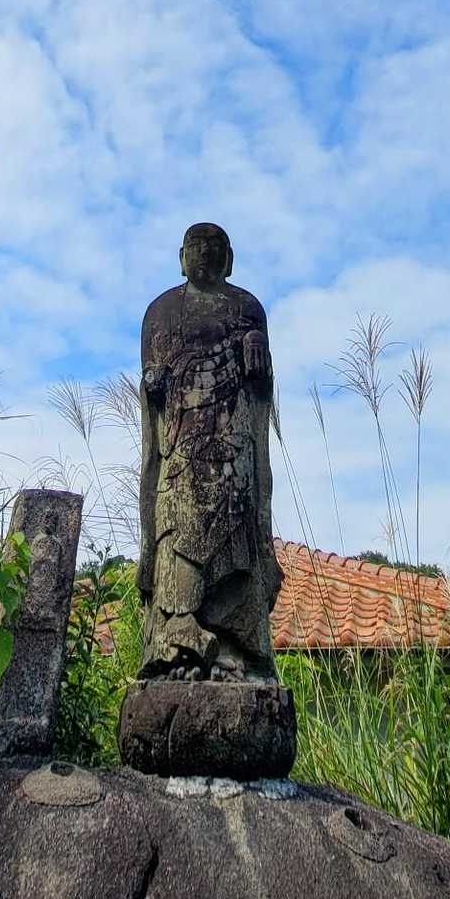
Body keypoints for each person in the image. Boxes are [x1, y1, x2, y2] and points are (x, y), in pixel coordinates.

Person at [136, 222, 283, 682]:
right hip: (181, 448)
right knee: (176, 530)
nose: (204, 254)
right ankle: (175, 640)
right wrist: (154, 385)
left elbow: (260, 387)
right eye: (196, 247)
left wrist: (257, 359)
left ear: (229, 258)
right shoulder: (160, 312)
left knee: (236, 533)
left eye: (214, 247)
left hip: (232, 443)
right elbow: (151, 379)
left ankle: (236, 643)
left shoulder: (247, 308)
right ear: (181, 257)